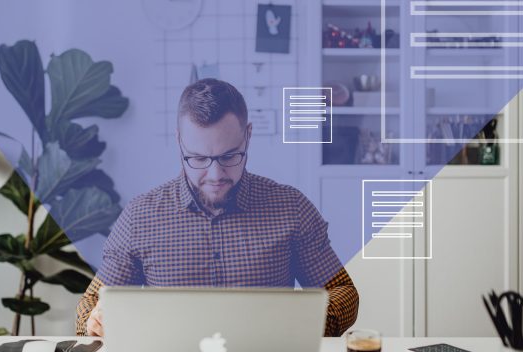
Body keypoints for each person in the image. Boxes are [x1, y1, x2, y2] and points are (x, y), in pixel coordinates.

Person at [75, 78, 358, 337]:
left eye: (229, 156)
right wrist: (94, 320)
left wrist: (309, 321)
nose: (214, 175)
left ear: (247, 136)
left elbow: (343, 292)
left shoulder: (290, 208)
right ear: (179, 141)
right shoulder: (141, 216)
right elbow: (91, 303)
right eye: (197, 158)